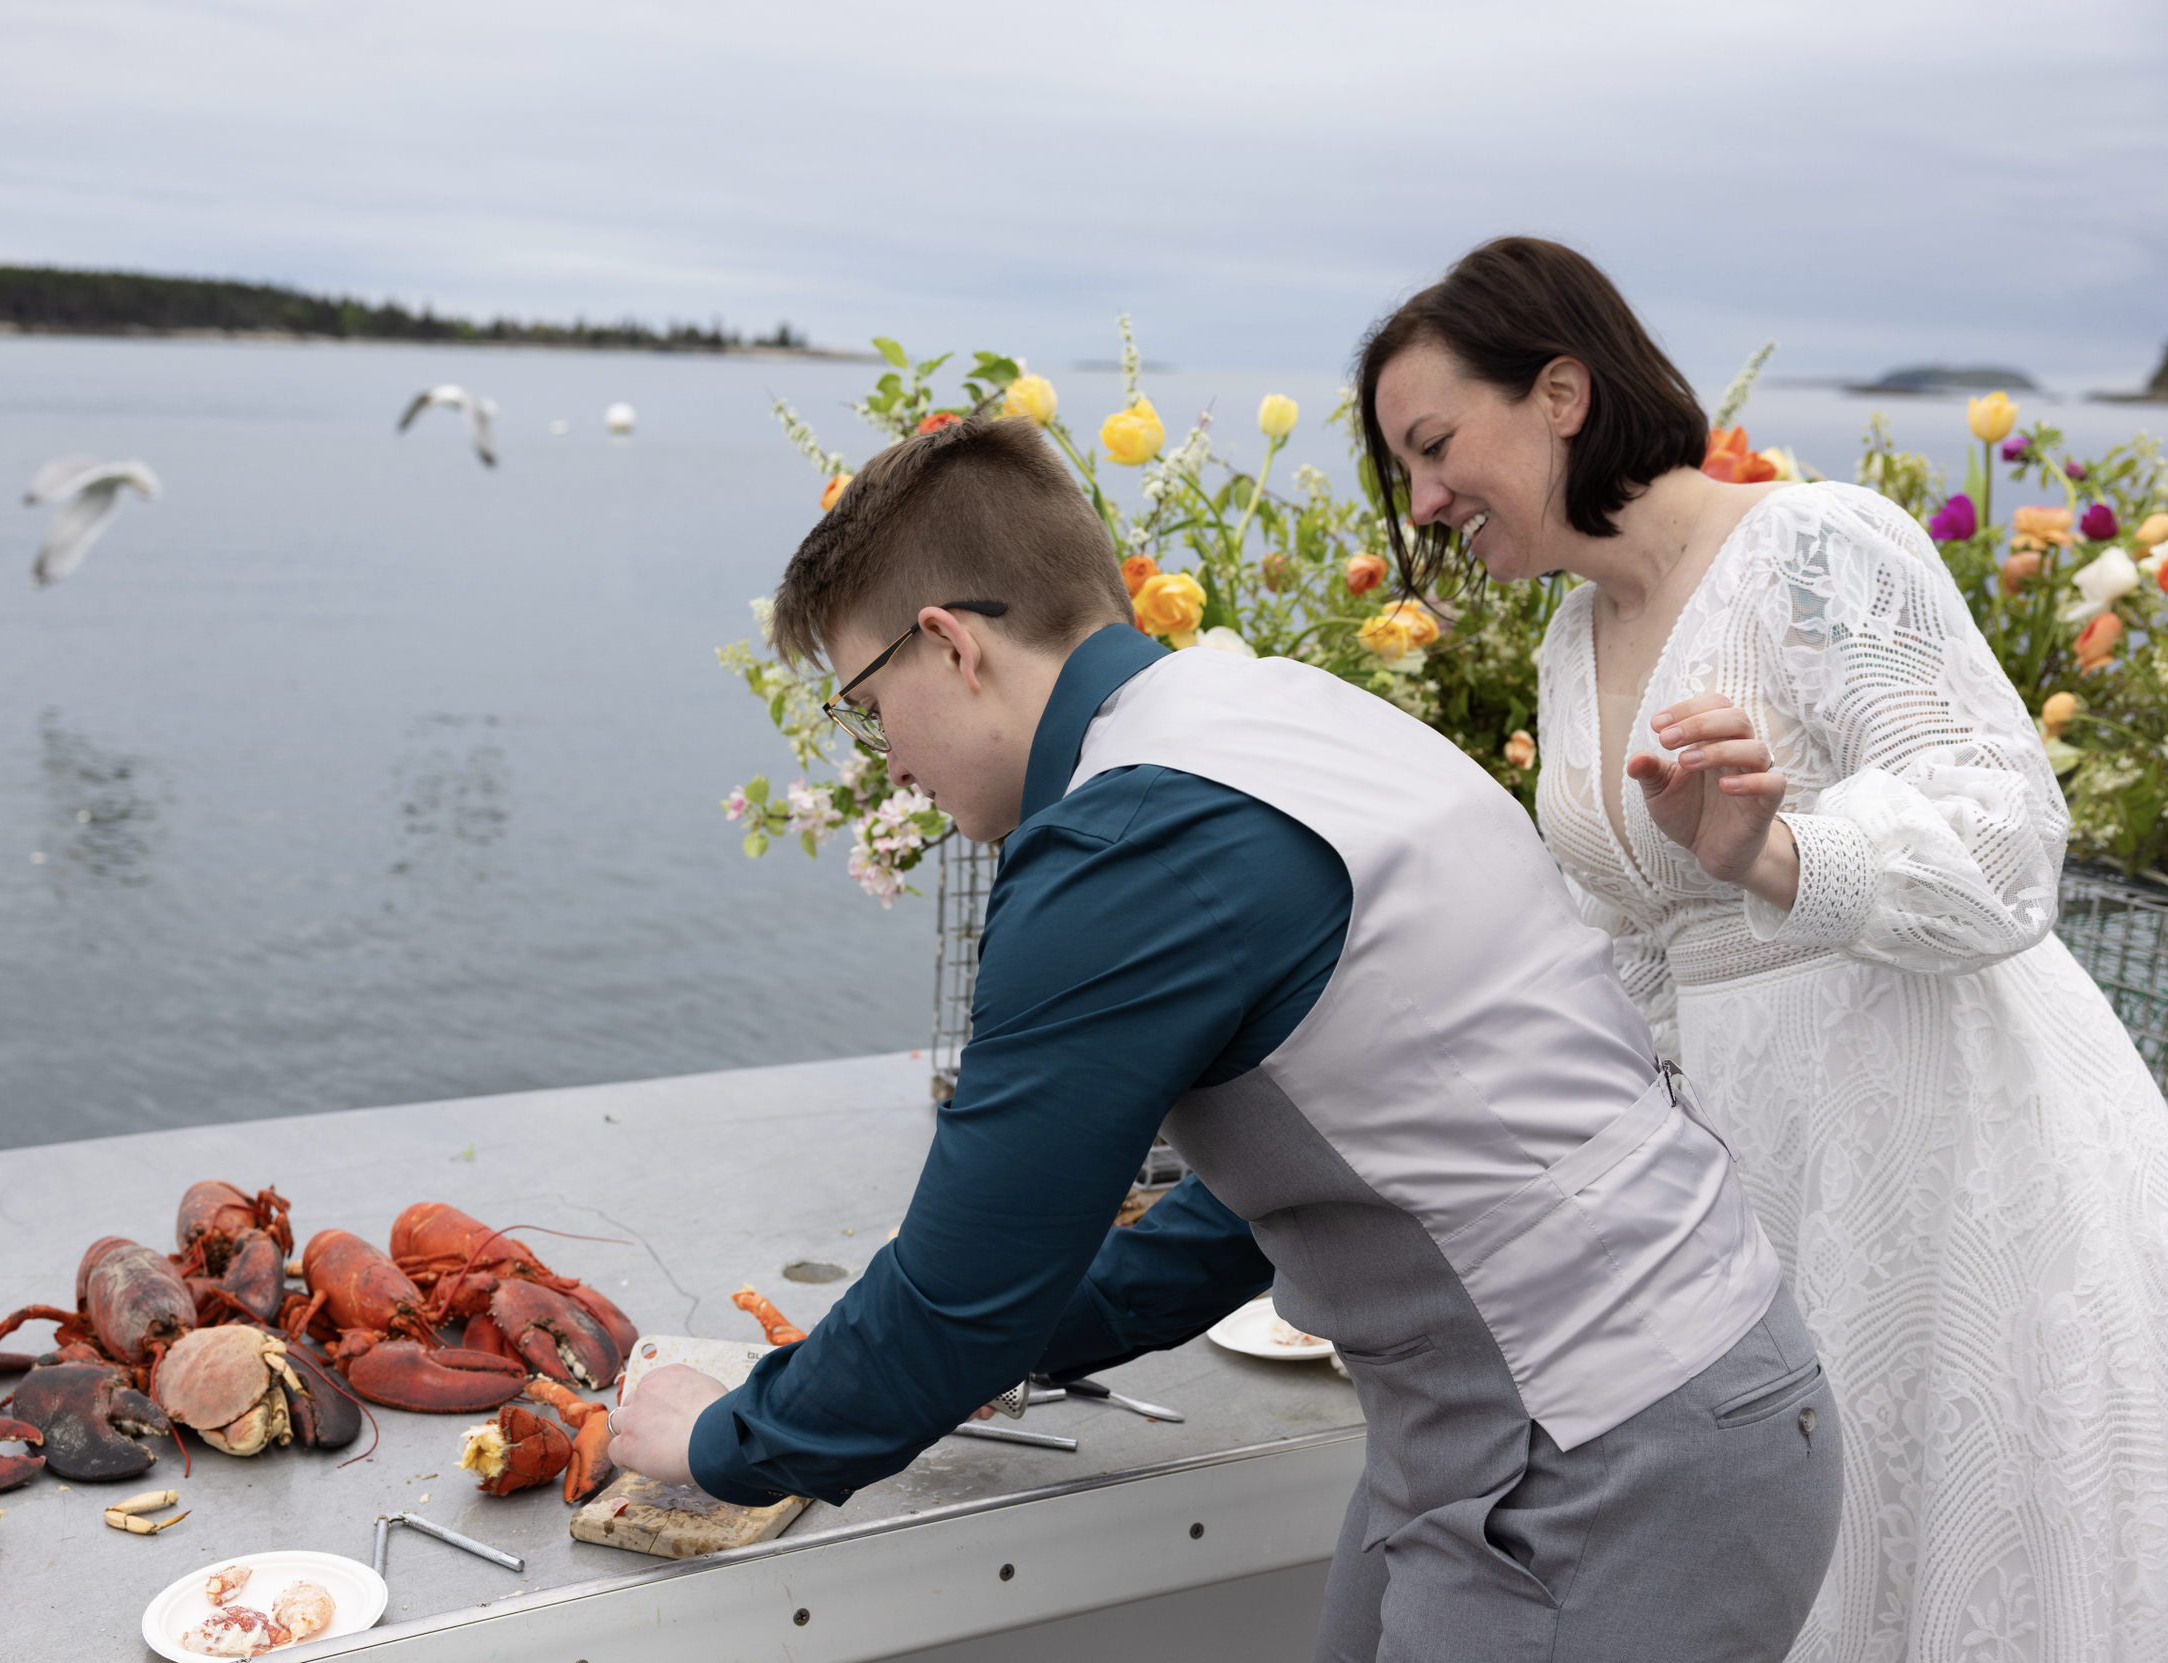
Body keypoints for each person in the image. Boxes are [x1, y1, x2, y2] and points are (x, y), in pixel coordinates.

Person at [609, 415, 1842, 1660]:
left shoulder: (1126, 839)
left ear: (948, 645)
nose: (888, 761)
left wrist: (722, 1439)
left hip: (1605, 1452)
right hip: (1602, 1410)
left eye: (869, 705)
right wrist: (1017, 1323)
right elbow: (1287, 1182)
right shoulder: (1262, 714)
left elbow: (959, 1297)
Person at [1354, 235, 2168, 1663]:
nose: (1422, 502)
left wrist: (1776, 852)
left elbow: (2008, 839)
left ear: (1558, 389)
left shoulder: (1815, 547)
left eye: (1433, 446)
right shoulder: (1568, 638)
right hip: (1754, 1175)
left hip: (1946, 1154)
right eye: (1401, 473)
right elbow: (1627, 959)